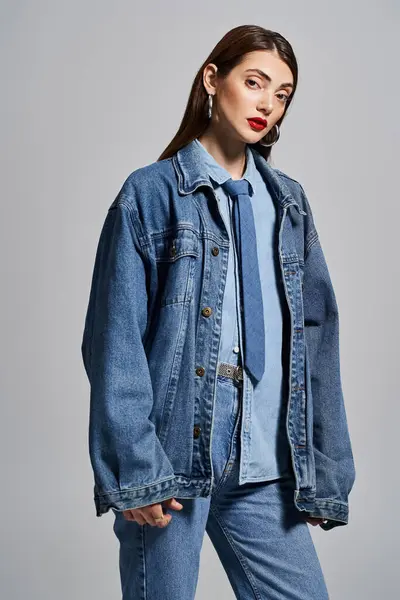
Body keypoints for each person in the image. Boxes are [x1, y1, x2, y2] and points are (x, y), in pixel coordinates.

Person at [81, 24, 356, 599]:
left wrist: (322, 469)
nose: (267, 104)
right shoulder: (150, 193)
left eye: (282, 93)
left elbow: (316, 335)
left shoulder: (289, 203)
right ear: (213, 79)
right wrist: (137, 467)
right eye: (254, 82)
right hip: (173, 459)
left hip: (265, 462)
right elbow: (115, 339)